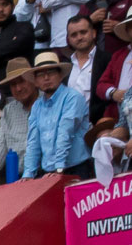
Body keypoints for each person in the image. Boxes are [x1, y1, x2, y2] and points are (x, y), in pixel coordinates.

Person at [24, 51, 92, 179]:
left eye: (51, 72)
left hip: (75, 168)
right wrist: (28, 174)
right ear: (36, 81)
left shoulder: (73, 97)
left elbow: (65, 132)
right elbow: (33, 142)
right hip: (48, 171)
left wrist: (59, 169)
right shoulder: (37, 106)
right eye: (40, 74)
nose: (46, 78)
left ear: (60, 75)